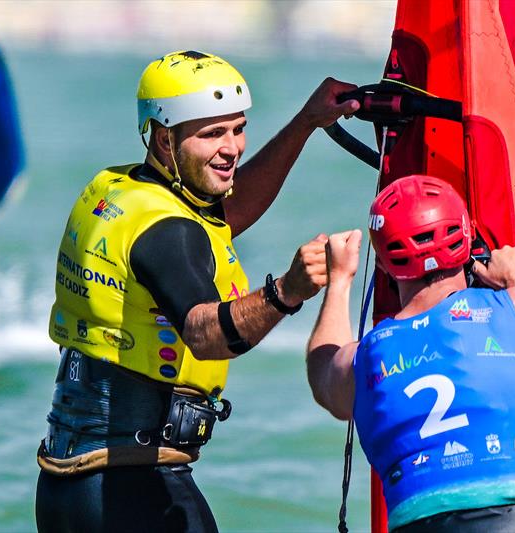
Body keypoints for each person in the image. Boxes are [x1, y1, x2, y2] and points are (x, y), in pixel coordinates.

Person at [35, 50, 359, 532]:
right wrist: (287, 291)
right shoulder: (167, 231)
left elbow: (223, 218)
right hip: (132, 488)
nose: (232, 147)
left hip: (68, 487)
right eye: (211, 134)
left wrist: (307, 122)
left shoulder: (121, 191)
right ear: (164, 138)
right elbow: (204, 334)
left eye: (238, 128)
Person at [306, 174, 515, 532]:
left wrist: (340, 279)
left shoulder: (366, 357)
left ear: (385, 265)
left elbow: (323, 375)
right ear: (466, 240)